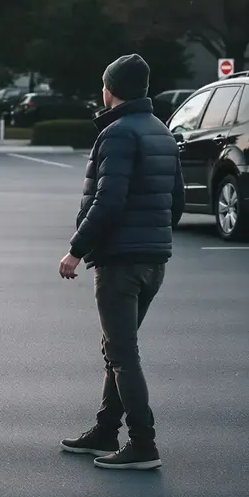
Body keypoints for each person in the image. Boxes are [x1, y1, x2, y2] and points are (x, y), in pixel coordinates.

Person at [58, 53, 184, 470]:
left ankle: (143, 444)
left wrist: (76, 250)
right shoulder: (162, 132)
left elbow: (107, 201)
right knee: (118, 348)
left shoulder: (117, 134)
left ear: (111, 88)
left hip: (121, 262)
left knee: (122, 354)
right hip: (154, 260)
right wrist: (154, 238)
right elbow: (177, 202)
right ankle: (105, 430)